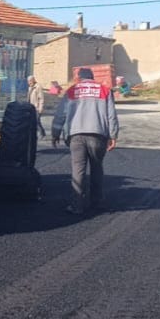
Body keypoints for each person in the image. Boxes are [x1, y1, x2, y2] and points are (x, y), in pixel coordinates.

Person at [52, 66, 120, 216]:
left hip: (76, 136)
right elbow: (111, 115)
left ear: (79, 78)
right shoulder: (104, 90)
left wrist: (55, 133)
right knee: (97, 168)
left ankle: (77, 205)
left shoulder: (71, 91)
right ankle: (97, 203)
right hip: (98, 135)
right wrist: (113, 136)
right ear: (92, 77)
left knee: (78, 171)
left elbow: (60, 115)